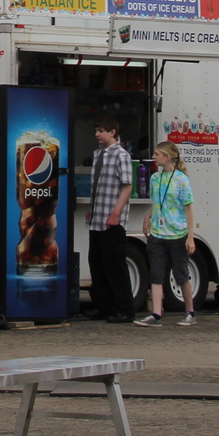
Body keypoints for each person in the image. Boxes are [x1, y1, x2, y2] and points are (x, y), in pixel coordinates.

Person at [135, 141, 197, 327]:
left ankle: (190, 311)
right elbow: (158, 204)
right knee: (156, 272)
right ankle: (156, 314)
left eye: (156, 154)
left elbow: (188, 210)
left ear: (167, 157)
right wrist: (148, 217)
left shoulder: (181, 180)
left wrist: (191, 236)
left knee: (180, 273)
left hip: (177, 233)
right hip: (158, 233)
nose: (153, 157)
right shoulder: (155, 178)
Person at [86, 122, 135, 322]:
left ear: (112, 132)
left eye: (101, 131)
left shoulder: (121, 155)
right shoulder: (98, 154)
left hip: (112, 219)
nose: (97, 134)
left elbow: (127, 186)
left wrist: (116, 212)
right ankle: (104, 305)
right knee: (97, 262)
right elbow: (97, 184)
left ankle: (124, 309)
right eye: (96, 131)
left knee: (115, 264)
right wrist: (92, 207)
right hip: (97, 217)